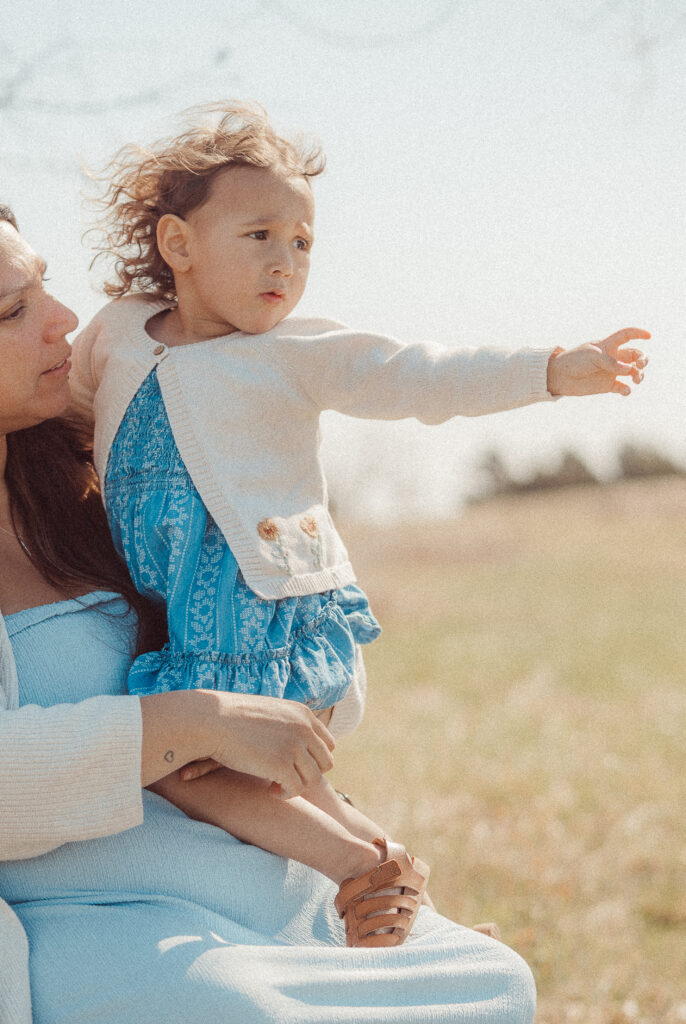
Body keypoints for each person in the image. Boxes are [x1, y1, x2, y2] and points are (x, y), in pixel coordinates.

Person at [70, 101, 650, 948]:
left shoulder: (296, 352)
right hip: (172, 596)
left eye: (303, 242)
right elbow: (69, 419)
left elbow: (416, 375)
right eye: (260, 235)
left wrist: (552, 370)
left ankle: (354, 873)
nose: (286, 261)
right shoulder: (118, 332)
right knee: (283, 777)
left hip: (250, 601)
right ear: (178, 246)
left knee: (183, 762)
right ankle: (399, 877)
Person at [0, 201, 540, 1022]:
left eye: (45, 286)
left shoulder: (99, 476)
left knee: (496, 979)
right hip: (95, 917)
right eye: (13, 309)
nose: (63, 321)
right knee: (241, 1011)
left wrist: (365, 853)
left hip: (259, 885)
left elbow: (241, 679)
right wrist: (195, 719)